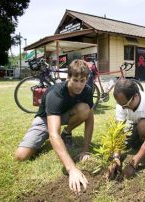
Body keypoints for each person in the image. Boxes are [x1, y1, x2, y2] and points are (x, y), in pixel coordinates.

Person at [14, 59, 94, 194]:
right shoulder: (55, 94)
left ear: (86, 80)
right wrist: (72, 169)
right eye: (75, 80)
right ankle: (41, 138)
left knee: (85, 109)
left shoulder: (87, 90)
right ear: (68, 77)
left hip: (65, 115)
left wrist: (86, 149)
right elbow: (54, 134)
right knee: (21, 157)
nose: (79, 85)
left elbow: (90, 119)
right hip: (45, 119)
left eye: (82, 80)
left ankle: (67, 132)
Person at [108, 78, 145, 179]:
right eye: (121, 105)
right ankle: (138, 138)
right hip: (135, 123)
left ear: (136, 96)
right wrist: (116, 156)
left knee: (143, 125)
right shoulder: (122, 103)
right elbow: (118, 131)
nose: (123, 108)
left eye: (126, 105)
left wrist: (133, 165)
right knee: (130, 137)